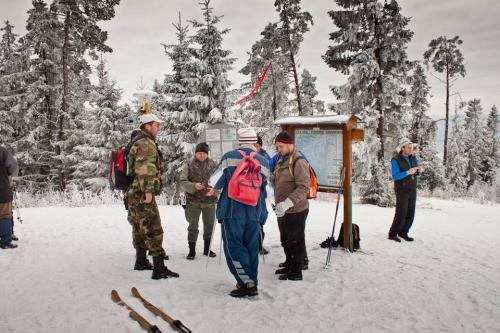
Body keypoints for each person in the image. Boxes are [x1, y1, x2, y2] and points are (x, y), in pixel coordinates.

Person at [210, 128, 270, 298]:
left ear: (239, 141)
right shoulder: (263, 161)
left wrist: (214, 190)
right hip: (254, 211)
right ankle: (252, 280)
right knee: (251, 246)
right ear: (254, 142)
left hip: (232, 210)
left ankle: (246, 283)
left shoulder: (229, 157)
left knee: (234, 246)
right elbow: (268, 190)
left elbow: (214, 181)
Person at [126, 111, 179, 279]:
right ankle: (159, 268)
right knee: (153, 228)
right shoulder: (146, 144)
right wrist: (148, 191)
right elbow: (146, 169)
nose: (159, 128)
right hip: (142, 192)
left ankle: (141, 261)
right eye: (157, 125)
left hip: (133, 192)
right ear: (147, 126)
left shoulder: (137, 141)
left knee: (139, 226)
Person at [272, 131, 310, 281]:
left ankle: (296, 270)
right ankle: (289, 263)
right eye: (277, 147)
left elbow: (303, 187)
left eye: (280, 146)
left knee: (295, 240)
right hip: (282, 209)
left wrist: (287, 203)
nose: (279, 149)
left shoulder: (298, 161)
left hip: (295, 209)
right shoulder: (282, 159)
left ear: (289, 144)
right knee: (285, 239)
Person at [179, 142, 217, 260]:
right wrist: (194, 186)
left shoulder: (214, 165)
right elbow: (182, 181)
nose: (202, 155)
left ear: (207, 154)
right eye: (199, 153)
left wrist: (214, 190)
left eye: (204, 153)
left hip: (209, 202)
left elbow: (220, 181)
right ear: (196, 153)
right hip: (193, 202)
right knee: (193, 226)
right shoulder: (189, 164)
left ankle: (207, 249)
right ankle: (192, 251)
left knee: (209, 226)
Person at [388, 138, 425, 242]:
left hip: (412, 188)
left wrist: (419, 171)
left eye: (411, 148)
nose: (410, 150)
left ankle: (404, 233)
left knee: (410, 213)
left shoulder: (413, 158)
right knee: (401, 212)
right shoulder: (395, 160)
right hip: (401, 189)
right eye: (408, 148)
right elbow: (395, 176)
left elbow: (415, 171)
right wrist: (407, 172)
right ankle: (392, 234)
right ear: (402, 148)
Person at [0, 145, 18, 249]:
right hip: (2, 190)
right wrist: (11, 178)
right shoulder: (2, 151)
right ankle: (6, 241)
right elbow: (13, 166)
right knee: (5, 215)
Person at [255, 135, 270, 255]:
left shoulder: (265, 157)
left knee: (261, 217)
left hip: (260, 193)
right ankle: (254, 245)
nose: (255, 148)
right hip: (249, 193)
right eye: (253, 145)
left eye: (257, 146)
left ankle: (259, 245)